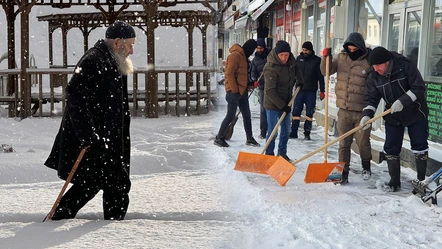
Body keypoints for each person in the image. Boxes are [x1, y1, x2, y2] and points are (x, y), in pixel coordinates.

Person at [44, 21, 135, 220]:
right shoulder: (93, 60)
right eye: (130, 45)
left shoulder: (114, 60)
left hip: (109, 138)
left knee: (108, 183)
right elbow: (75, 98)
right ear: (118, 43)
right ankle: (59, 219)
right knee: (97, 182)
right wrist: (88, 134)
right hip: (96, 139)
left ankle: (112, 224)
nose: (132, 51)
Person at [361, 46, 429, 192]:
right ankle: (394, 182)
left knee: (419, 144)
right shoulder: (374, 75)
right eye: (373, 66)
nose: (375, 69)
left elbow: (419, 87)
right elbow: (370, 98)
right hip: (393, 113)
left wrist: (403, 101)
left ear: (386, 62)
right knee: (391, 146)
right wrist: (367, 114)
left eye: (377, 66)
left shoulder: (405, 65)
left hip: (415, 111)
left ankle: (422, 181)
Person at [321, 32, 372, 184]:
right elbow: (326, 71)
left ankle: (366, 165)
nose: (351, 51)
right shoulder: (341, 58)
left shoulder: (368, 61)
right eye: (349, 48)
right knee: (344, 143)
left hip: (362, 111)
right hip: (344, 109)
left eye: (354, 49)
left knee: (363, 142)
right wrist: (326, 58)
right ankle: (343, 172)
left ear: (360, 48)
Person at [214, 39, 260, 147]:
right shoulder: (236, 55)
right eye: (253, 49)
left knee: (247, 115)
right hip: (234, 92)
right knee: (230, 115)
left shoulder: (244, 57)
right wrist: (234, 90)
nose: (253, 52)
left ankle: (249, 138)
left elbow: (242, 75)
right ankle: (219, 137)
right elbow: (229, 73)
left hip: (242, 92)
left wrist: (249, 85)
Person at [263, 40, 304, 162]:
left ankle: (282, 154)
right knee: (273, 131)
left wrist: (300, 81)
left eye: (286, 55)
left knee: (286, 130)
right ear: (277, 54)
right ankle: (269, 155)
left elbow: (297, 70)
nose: (284, 58)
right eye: (282, 55)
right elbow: (269, 91)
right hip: (272, 104)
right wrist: (282, 105)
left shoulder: (291, 62)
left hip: (286, 101)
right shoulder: (270, 68)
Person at [290, 41, 325, 140]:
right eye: (303, 50)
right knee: (296, 111)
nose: (304, 52)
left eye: (306, 50)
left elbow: (320, 77)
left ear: (310, 50)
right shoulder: (299, 59)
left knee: (309, 113)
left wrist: (322, 90)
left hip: (311, 91)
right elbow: (294, 75)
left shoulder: (317, 60)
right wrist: (291, 87)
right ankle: (294, 131)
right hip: (299, 90)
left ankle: (307, 132)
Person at [251, 38, 270, 139]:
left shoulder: (270, 56)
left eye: (261, 48)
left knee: (273, 109)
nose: (259, 50)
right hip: (262, 86)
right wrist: (255, 79)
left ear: (264, 47)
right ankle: (263, 131)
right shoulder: (255, 60)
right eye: (257, 48)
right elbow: (253, 72)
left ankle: (273, 130)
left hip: (272, 86)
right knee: (263, 110)